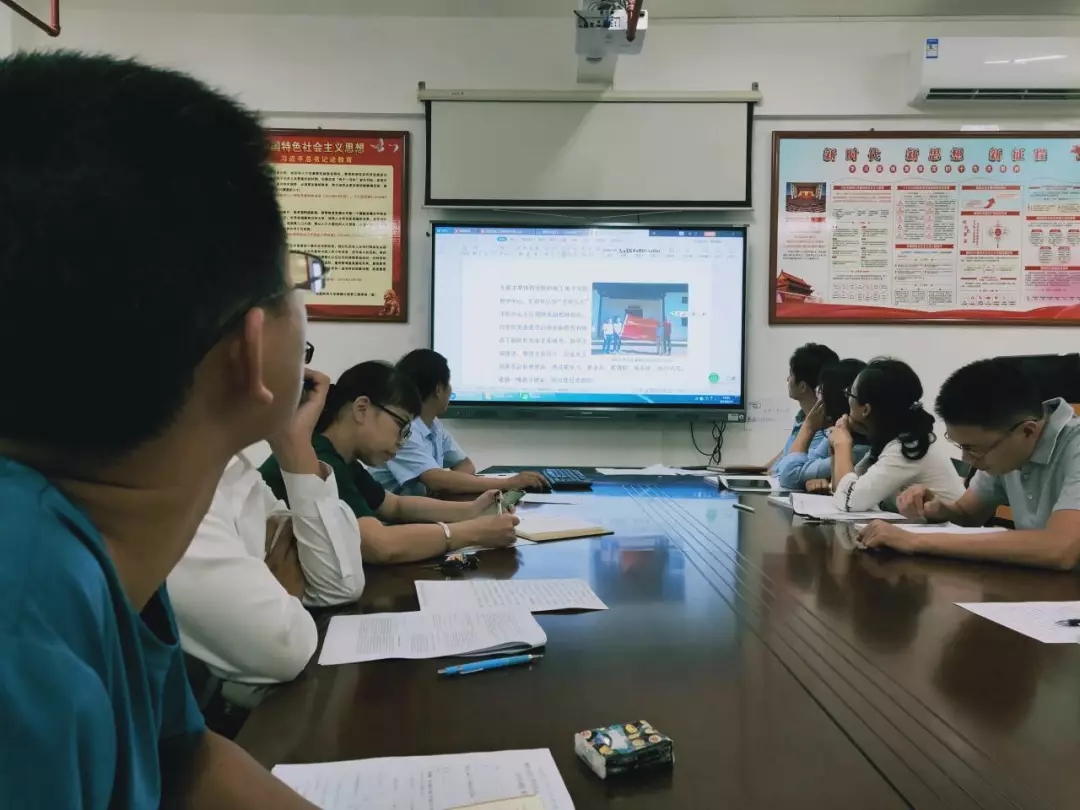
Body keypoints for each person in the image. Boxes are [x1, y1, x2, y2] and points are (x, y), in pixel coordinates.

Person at [0, 52, 318, 807]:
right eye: (296, 282)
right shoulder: (21, 635)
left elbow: (184, 761)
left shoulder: (99, 543)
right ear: (250, 352)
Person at [168, 364, 366, 705]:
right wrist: (285, 590)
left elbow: (339, 585)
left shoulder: (230, 466)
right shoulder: (173, 480)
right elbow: (285, 649)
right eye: (302, 351)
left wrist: (293, 442)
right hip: (219, 724)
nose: (304, 372)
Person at [261, 361, 521, 563]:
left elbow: (395, 506)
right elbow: (380, 545)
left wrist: (472, 510)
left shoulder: (343, 459)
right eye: (401, 426)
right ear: (362, 408)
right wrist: (474, 532)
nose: (402, 441)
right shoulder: (319, 458)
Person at [865, 357, 1080, 570]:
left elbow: (1060, 548)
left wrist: (914, 540)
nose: (967, 460)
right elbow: (968, 514)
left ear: (1027, 431)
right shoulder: (1006, 447)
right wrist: (939, 510)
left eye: (974, 449)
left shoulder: (1074, 446)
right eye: (961, 447)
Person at [370, 349, 548, 496]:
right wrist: (508, 483)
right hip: (386, 519)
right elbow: (434, 479)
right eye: (449, 383)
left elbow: (465, 465)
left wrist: (448, 486)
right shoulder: (404, 429)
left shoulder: (433, 424)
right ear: (439, 389)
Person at [829, 358, 963, 513]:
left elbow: (849, 501)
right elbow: (841, 490)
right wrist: (835, 449)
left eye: (850, 394)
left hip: (951, 527)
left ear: (865, 410)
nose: (847, 400)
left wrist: (842, 444)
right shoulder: (891, 440)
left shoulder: (907, 447)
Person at [775, 359, 870, 492]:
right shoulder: (839, 432)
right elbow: (788, 469)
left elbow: (789, 475)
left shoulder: (860, 450)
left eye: (822, 395)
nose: (818, 403)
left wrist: (808, 427)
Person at [763, 343, 839, 472]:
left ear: (803, 387)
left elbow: (790, 472)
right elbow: (784, 455)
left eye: (791, 375)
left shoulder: (822, 431)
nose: (788, 379)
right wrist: (759, 471)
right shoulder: (802, 417)